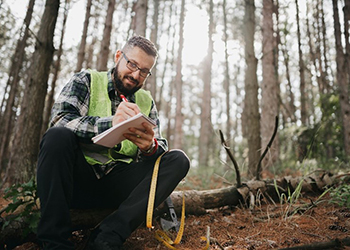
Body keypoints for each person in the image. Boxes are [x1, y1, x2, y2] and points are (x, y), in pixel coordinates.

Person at [36, 35, 190, 250]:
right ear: (119, 56)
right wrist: (109, 124)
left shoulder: (146, 101)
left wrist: (150, 147)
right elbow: (60, 120)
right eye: (132, 64)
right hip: (77, 181)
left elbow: (160, 145)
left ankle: (107, 236)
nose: (136, 75)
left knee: (178, 160)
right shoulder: (86, 80)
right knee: (56, 136)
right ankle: (54, 242)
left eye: (144, 71)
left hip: (119, 186)